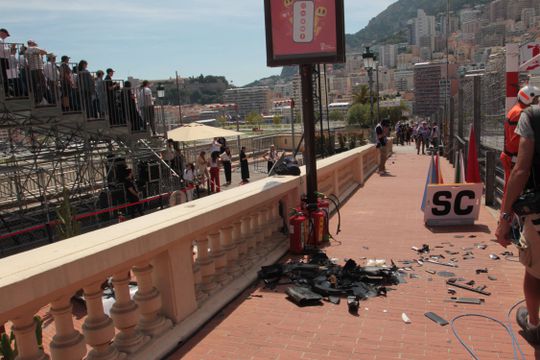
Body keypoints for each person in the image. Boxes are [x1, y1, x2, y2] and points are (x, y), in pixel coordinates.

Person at [496, 104, 540, 344]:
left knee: (534, 271)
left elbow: (521, 170)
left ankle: (534, 324)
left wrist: (504, 218)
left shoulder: (532, 116)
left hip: (538, 210)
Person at [501, 85, 539, 193]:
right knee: (514, 190)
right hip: (514, 158)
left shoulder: (516, 110)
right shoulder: (521, 113)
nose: (537, 102)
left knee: (511, 188)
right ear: (529, 98)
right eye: (536, 99)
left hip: (510, 156)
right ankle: (508, 210)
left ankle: (507, 209)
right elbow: (518, 140)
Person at [24, 40, 48, 105]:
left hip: (33, 69)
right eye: (34, 42)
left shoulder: (28, 50)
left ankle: (37, 99)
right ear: (31, 43)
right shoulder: (32, 48)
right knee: (43, 85)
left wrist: (39, 53)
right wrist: (39, 51)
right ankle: (37, 100)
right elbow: (45, 52)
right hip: (37, 69)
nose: (36, 43)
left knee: (37, 85)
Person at [0, 28, 14, 95]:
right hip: (2, 59)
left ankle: (7, 91)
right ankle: (6, 92)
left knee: (5, 75)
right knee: (5, 75)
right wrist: (11, 49)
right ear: (2, 32)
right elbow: (3, 51)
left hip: (3, 59)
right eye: (6, 35)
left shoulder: (1, 40)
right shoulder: (0, 40)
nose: (6, 36)